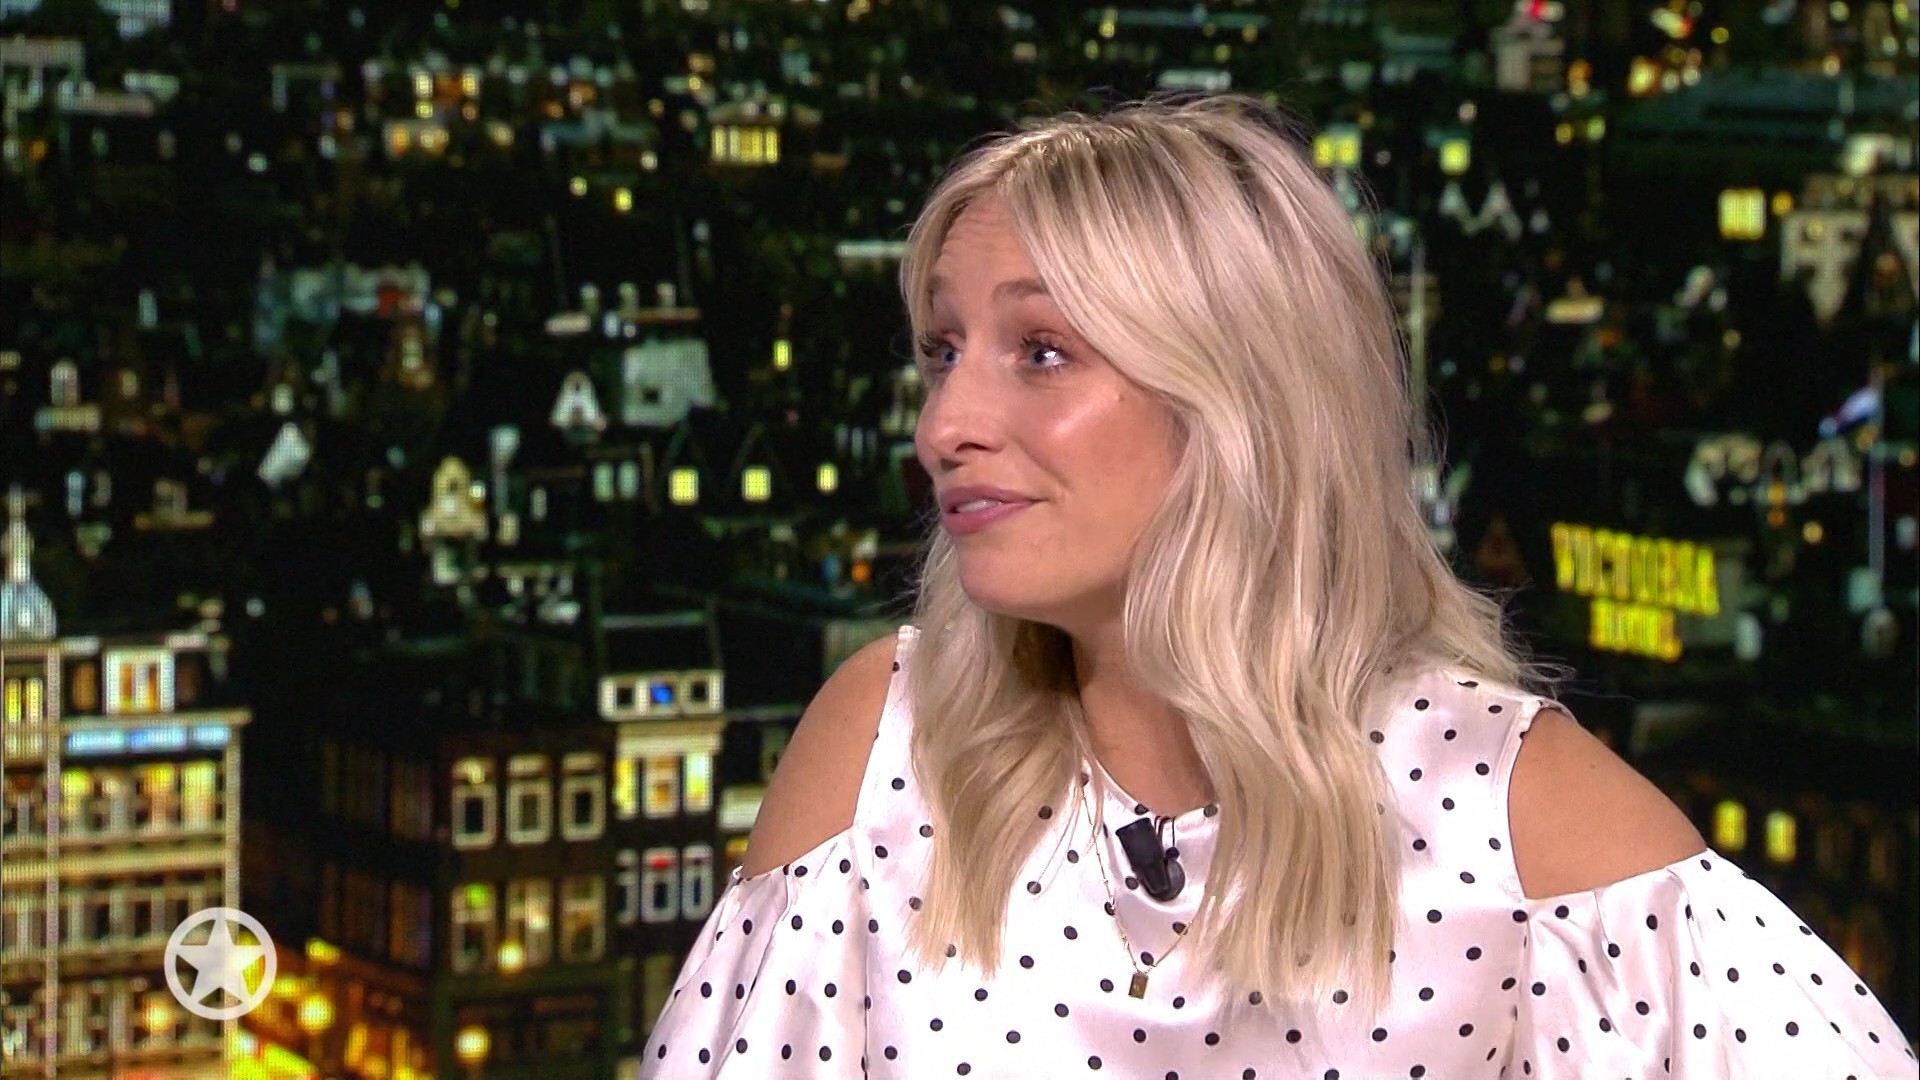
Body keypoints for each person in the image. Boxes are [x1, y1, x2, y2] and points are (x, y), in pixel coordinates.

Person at [639, 95, 1916, 1079]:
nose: (943, 426)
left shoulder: (1505, 811)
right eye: (942, 352)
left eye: (1041, 351)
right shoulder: (884, 753)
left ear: (1238, 395)